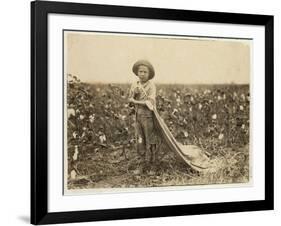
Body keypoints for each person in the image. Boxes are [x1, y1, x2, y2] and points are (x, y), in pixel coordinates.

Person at [128, 60, 158, 173]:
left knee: (150, 140)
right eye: (140, 71)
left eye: (145, 72)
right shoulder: (134, 84)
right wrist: (134, 95)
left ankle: (153, 165)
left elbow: (150, 103)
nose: (142, 74)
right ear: (137, 72)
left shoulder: (151, 86)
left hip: (148, 116)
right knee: (139, 140)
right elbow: (130, 101)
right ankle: (141, 165)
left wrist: (135, 100)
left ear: (149, 74)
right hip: (137, 116)